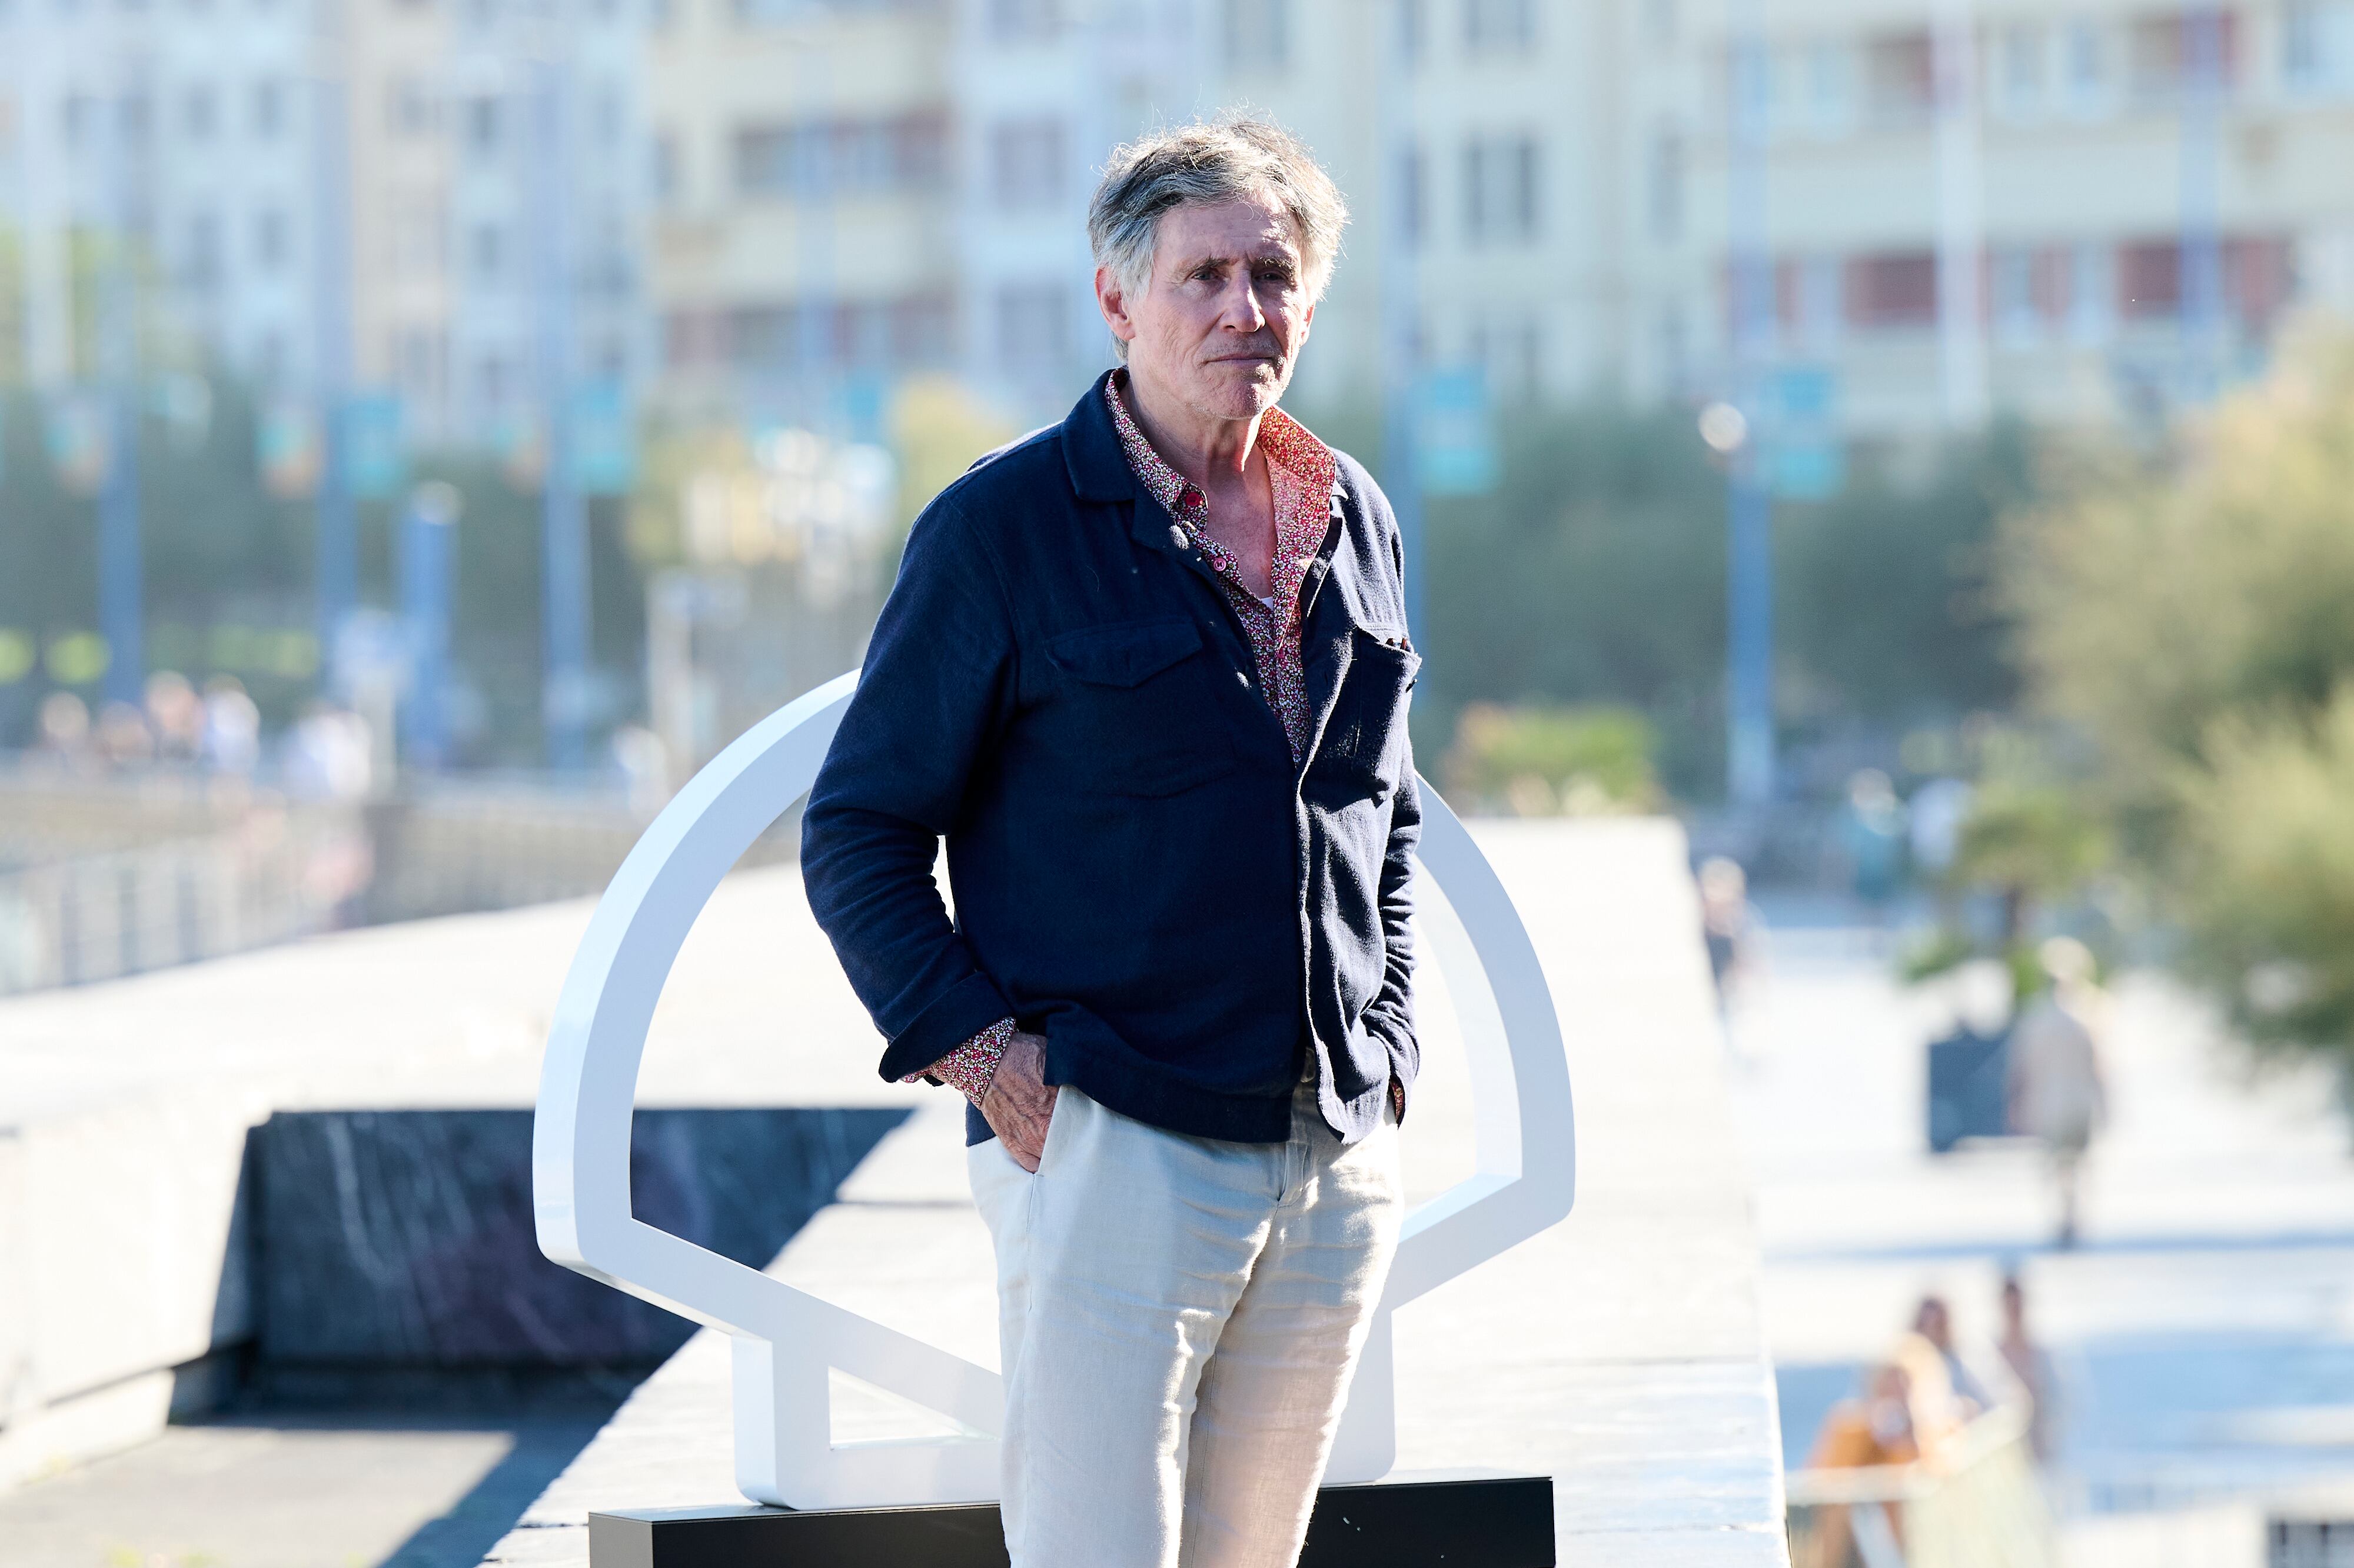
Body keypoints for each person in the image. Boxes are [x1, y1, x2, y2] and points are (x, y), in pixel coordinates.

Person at [801, 115, 1418, 1568]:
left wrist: (1386, 1040)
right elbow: (857, 832)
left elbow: (1377, 815)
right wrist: (999, 1070)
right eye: (1201, 275)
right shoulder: (1000, 530)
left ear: (1309, 301)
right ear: (1117, 299)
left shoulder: (1359, 521)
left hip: (1328, 1156)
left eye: (1271, 273)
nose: (1239, 309)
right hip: (1113, 1145)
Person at [2007, 937, 2110, 1248]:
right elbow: (2099, 1066)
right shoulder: (2088, 1014)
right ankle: (2072, 1216)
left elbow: (2021, 1069)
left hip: (2050, 1105)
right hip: (2078, 1104)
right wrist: (2105, 1102)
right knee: (2076, 1166)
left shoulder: (2035, 1018)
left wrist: (2017, 1103)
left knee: (2057, 1167)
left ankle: (2065, 1218)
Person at [1997, 1273, 2060, 1463]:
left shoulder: (2043, 1353)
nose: (2014, 1312)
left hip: (2040, 1445)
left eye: (2018, 1306)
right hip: (2005, 1453)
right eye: (2010, 1306)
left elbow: (2061, 1403)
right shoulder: (1991, 1353)